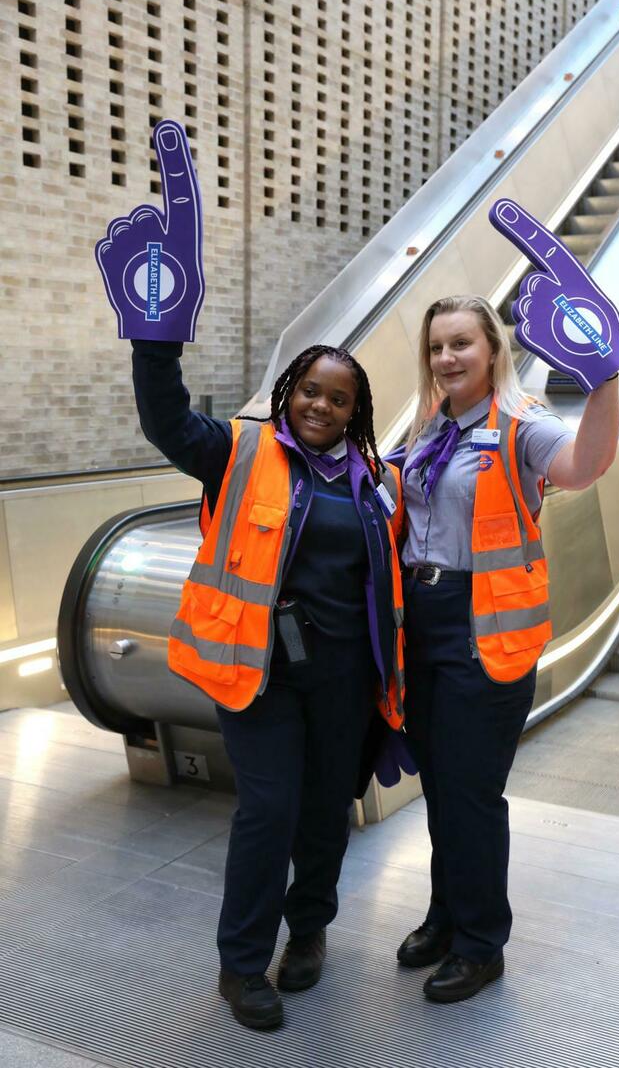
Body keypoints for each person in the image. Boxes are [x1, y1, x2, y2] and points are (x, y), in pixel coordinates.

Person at [131, 338, 405, 1031]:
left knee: (323, 812)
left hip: (345, 680)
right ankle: (243, 964)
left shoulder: (375, 479)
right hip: (259, 674)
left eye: (338, 399)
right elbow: (168, 422)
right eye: (311, 390)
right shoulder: (242, 452)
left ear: (354, 412)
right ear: (290, 390)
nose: (321, 405)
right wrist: (154, 350)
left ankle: (309, 930)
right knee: (269, 811)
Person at [394, 294, 619, 1003]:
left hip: (483, 631)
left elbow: (584, 466)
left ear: (492, 348)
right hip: (422, 625)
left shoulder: (522, 425)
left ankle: (481, 943)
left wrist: (604, 378)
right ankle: (444, 914)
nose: (447, 359)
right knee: (439, 788)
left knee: (472, 793)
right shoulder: (432, 429)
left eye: (461, 343)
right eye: (436, 348)